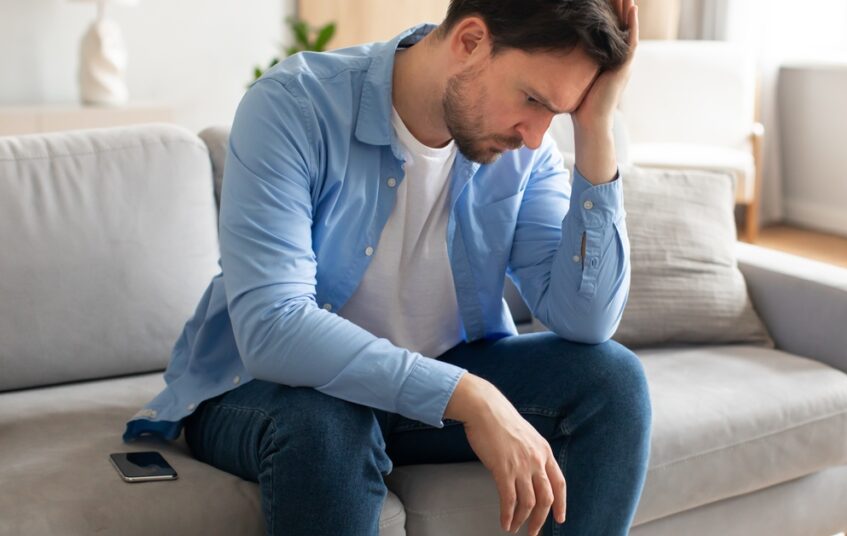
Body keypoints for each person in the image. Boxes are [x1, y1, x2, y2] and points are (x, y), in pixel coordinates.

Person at [123, 1, 651, 534]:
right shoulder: (294, 106)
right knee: (328, 421)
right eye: (533, 99)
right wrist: (468, 395)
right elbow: (273, 326)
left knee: (613, 380)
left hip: (436, 373)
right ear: (470, 41)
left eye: (555, 112)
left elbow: (586, 321)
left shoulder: (525, 149)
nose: (536, 135)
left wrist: (597, 126)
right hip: (272, 389)